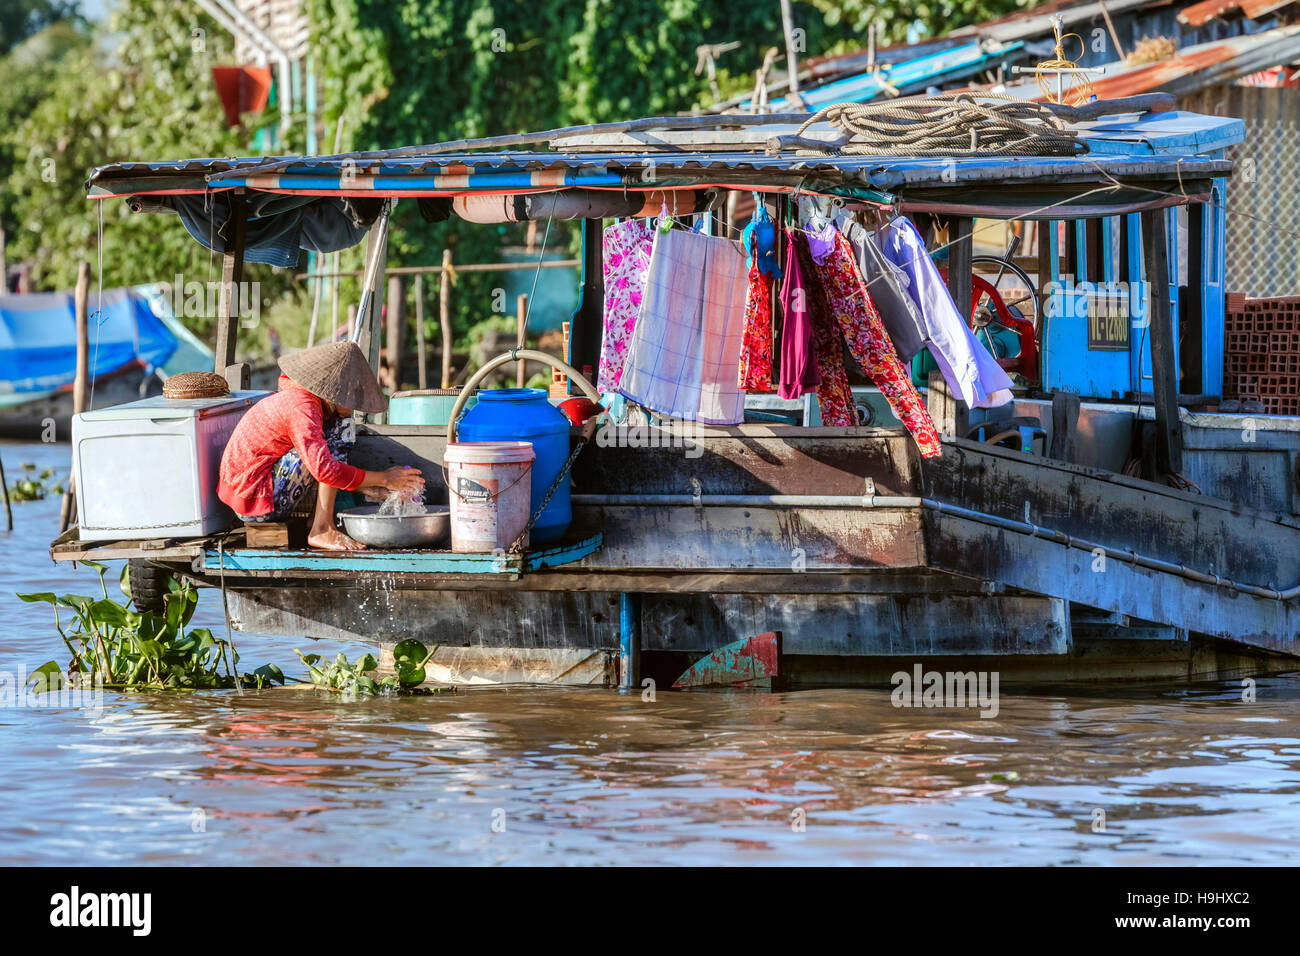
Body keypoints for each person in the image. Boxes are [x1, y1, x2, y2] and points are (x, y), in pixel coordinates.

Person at [217, 340, 424, 550]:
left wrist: (372, 488)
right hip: (254, 498)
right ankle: (322, 528)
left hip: (257, 490)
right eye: (351, 398)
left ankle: (320, 522)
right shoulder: (302, 406)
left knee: (339, 429)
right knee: (339, 433)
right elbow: (324, 470)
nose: (353, 408)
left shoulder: (308, 402)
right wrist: (386, 478)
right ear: (333, 393)